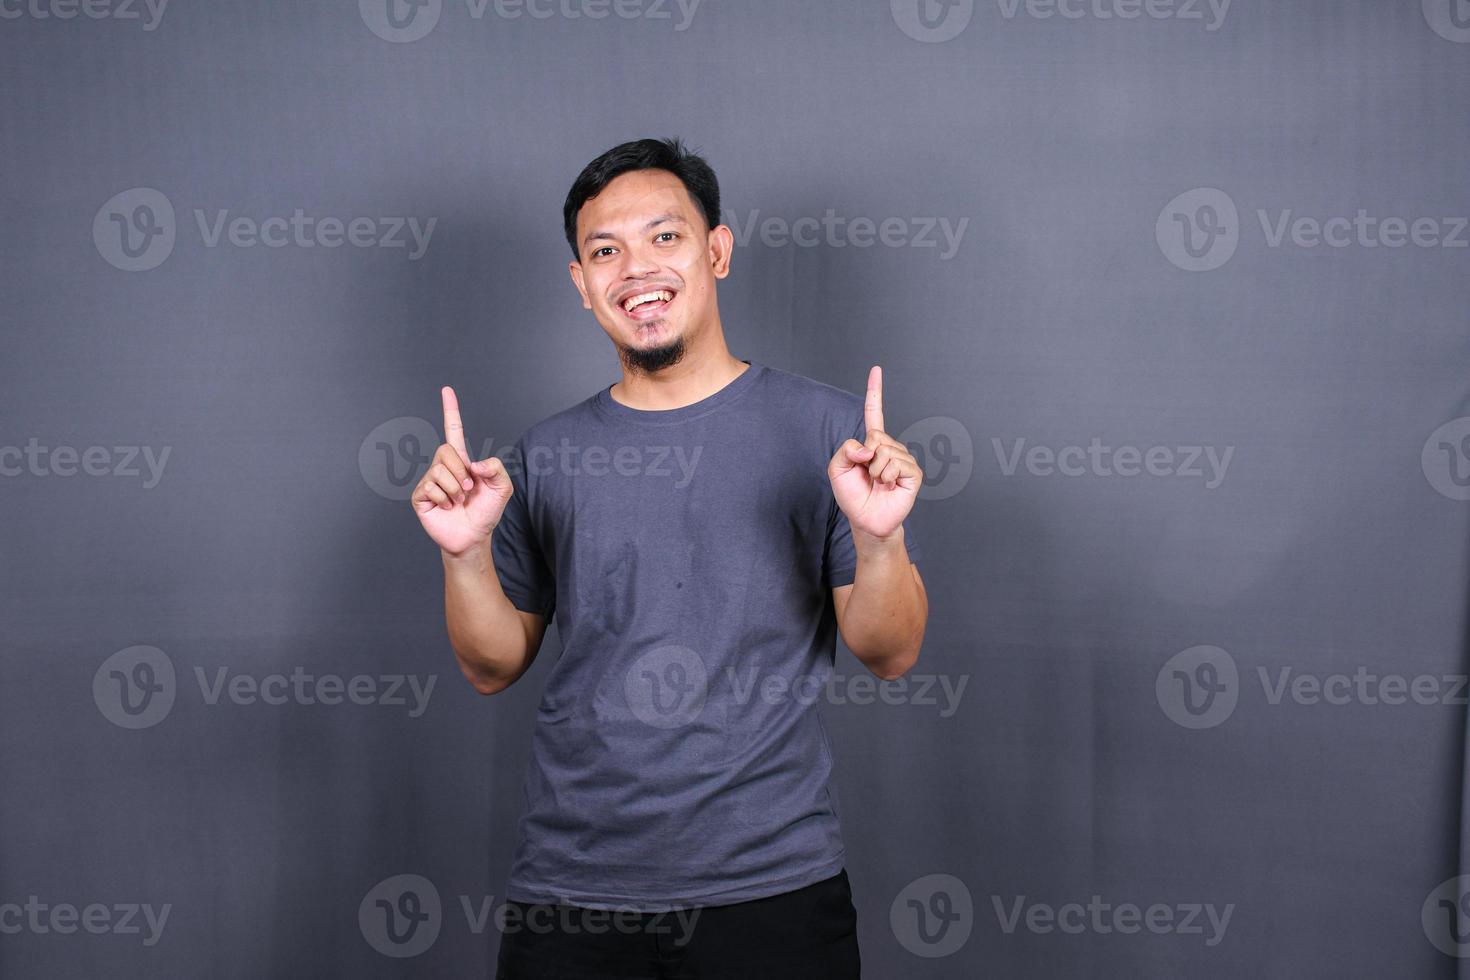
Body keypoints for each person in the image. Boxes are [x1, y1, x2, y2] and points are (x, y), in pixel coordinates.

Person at [410, 137, 929, 979]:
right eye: (604, 251)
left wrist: (879, 538)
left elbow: (891, 649)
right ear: (580, 284)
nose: (635, 269)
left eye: (664, 237)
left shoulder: (833, 436)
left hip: (772, 894)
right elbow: (492, 665)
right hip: (573, 894)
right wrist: (464, 556)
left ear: (716, 251)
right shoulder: (543, 455)